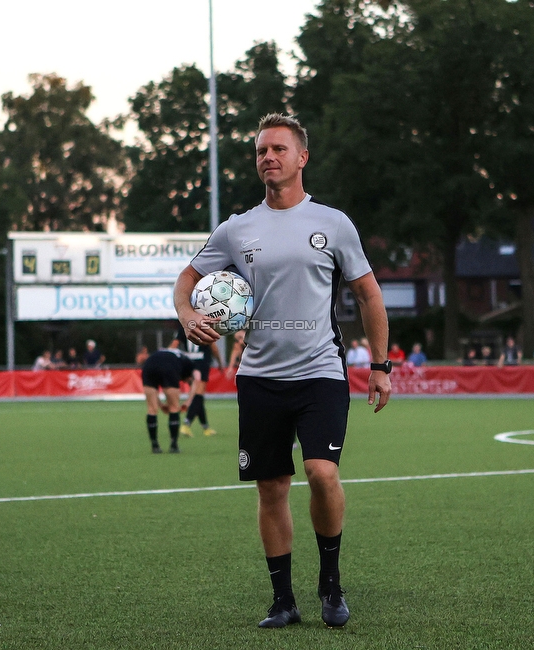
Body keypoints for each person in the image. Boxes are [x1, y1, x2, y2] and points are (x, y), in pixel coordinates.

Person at [173, 113, 391, 629]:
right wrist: (187, 314)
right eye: (260, 151)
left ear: (302, 158)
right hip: (259, 377)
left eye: (278, 149)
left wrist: (380, 365)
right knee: (270, 488)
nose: (267, 157)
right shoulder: (237, 228)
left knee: (321, 472)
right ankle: (283, 601)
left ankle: (331, 584)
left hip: (320, 371)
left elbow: (368, 293)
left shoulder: (333, 223)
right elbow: (187, 279)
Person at [140, 345, 194, 454]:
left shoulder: (164, 353)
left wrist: (160, 405)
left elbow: (153, 395)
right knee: (174, 407)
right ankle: (173, 445)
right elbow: (193, 381)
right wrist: (188, 402)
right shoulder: (188, 362)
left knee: (152, 409)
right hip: (169, 368)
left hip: (149, 365)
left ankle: (155, 445)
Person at [176, 325, 224, 438]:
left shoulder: (184, 325)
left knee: (198, 396)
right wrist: (220, 363)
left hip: (188, 363)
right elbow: (214, 348)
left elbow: (174, 344)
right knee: (198, 395)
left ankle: (205, 427)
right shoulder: (205, 326)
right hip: (201, 363)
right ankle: (186, 424)